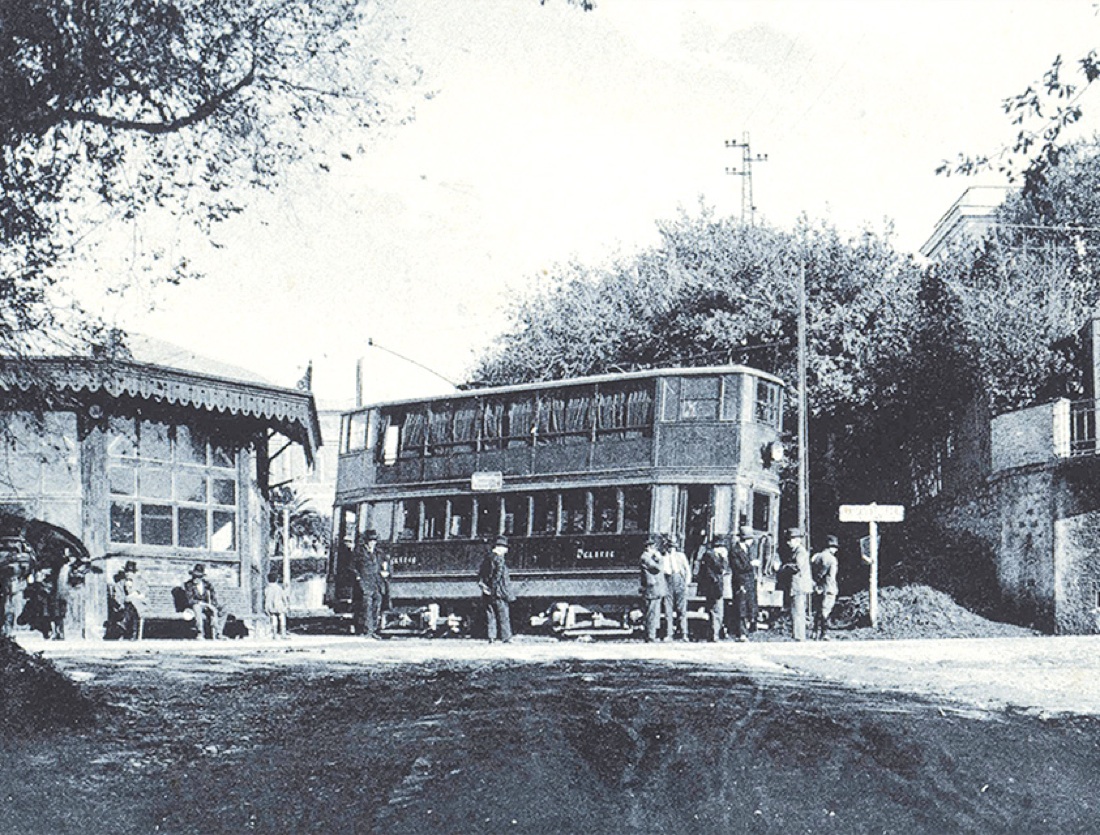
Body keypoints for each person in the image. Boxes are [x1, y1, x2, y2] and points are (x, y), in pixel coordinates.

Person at [477, 536, 515, 643]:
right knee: (503, 615)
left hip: (487, 591)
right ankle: (506, 637)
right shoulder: (499, 559)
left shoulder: (487, 558)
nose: (506, 551)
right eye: (505, 548)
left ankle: (491, 637)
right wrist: (494, 590)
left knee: (491, 614)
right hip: (498, 592)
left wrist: (485, 588)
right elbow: (497, 576)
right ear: (500, 548)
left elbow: (481, 575)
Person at [352, 530, 387, 639]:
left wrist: (385, 571)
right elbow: (352, 567)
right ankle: (367, 631)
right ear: (366, 542)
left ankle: (374, 630)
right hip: (365, 583)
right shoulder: (359, 552)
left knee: (376, 605)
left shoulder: (378, 553)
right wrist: (358, 578)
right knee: (366, 607)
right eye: (370, 540)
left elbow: (384, 564)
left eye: (374, 540)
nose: (372, 543)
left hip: (376, 583)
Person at [728, 526, 760, 642]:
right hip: (740, 582)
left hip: (750, 582)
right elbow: (738, 567)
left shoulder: (748, 549)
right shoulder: (735, 551)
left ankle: (748, 630)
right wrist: (752, 564)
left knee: (750, 606)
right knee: (740, 607)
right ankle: (741, 633)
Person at [781, 528, 812, 641]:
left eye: (791, 539)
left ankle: (799, 636)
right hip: (797, 584)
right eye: (788, 540)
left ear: (798, 540)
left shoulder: (800, 552)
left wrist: (784, 567)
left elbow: (797, 567)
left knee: (798, 610)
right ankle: (797, 635)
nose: (789, 542)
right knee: (796, 610)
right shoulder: (796, 551)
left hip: (799, 585)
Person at [695, 537, 728, 643]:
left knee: (716, 611)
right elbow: (719, 570)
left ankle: (714, 634)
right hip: (714, 588)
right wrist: (724, 559)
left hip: (715, 587)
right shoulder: (710, 556)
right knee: (717, 611)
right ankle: (714, 635)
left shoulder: (712, 555)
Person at [183, 563, 226, 639]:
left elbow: (213, 597)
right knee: (196, 608)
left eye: (198, 576)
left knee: (223, 609)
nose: (196, 578)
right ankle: (200, 633)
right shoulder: (189, 585)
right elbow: (190, 600)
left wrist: (213, 606)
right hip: (195, 606)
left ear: (202, 577)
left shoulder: (207, 585)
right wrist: (204, 604)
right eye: (194, 576)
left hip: (207, 605)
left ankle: (219, 633)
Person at [662, 535, 692, 642]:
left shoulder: (681, 556)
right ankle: (669, 634)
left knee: (682, 610)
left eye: (673, 547)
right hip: (667, 582)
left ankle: (684, 634)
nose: (671, 549)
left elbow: (687, 570)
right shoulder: (663, 557)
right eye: (669, 547)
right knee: (668, 610)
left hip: (679, 581)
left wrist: (686, 584)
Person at [811, 535, 841, 640]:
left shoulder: (816, 556)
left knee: (819, 609)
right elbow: (832, 576)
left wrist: (816, 582)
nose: (836, 550)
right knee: (826, 610)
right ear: (830, 547)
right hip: (829, 587)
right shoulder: (832, 559)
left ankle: (814, 631)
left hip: (818, 587)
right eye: (835, 547)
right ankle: (824, 633)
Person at [638, 535, 667, 642]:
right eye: (653, 547)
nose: (655, 549)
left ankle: (652, 634)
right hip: (652, 589)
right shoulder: (645, 557)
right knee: (651, 613)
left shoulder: (648, 557)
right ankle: (650, 636)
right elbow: (657, 568)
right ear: (648, 547)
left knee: (654, 612)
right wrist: (659, 559)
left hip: (656, 588)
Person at [110, 560, 148, 640]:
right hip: (125, 607)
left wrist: (134, 594)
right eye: (127, 572)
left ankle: (123, 625)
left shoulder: (140, 582)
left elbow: (144, 593)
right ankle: (132, 634)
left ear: (135, 573)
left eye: (131, 572)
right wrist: (124, 600)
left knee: (132, 608)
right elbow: (117, 596)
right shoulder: (120, 583)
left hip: (140, 606)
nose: (128, 574)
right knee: (130, 608)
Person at [264, 572, 290, 639]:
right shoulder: (279, 588)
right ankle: (283, 634)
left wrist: (266, 607)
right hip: (279, 606)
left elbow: (266, 599)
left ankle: (274, 634)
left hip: (271, 606)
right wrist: (286, 605)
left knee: (273, 619)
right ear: (276, 579)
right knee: (282, 619)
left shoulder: (267, 589)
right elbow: (283, 597)